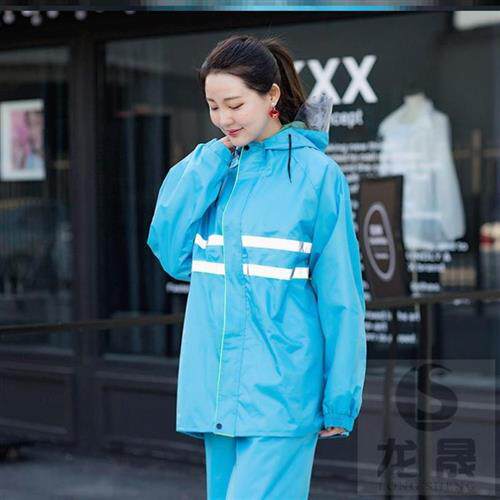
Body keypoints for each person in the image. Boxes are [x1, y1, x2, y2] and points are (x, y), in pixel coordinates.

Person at [147, 34, 366, 500]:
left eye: (235, 104)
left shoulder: (316, 176)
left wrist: (340, 398)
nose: (224, 119)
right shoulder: (214, 169)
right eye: (213, 106)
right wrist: (209, 161)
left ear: (271, 96)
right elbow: (172, 253)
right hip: (218, 393)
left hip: (284, 393)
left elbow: (341, 297)